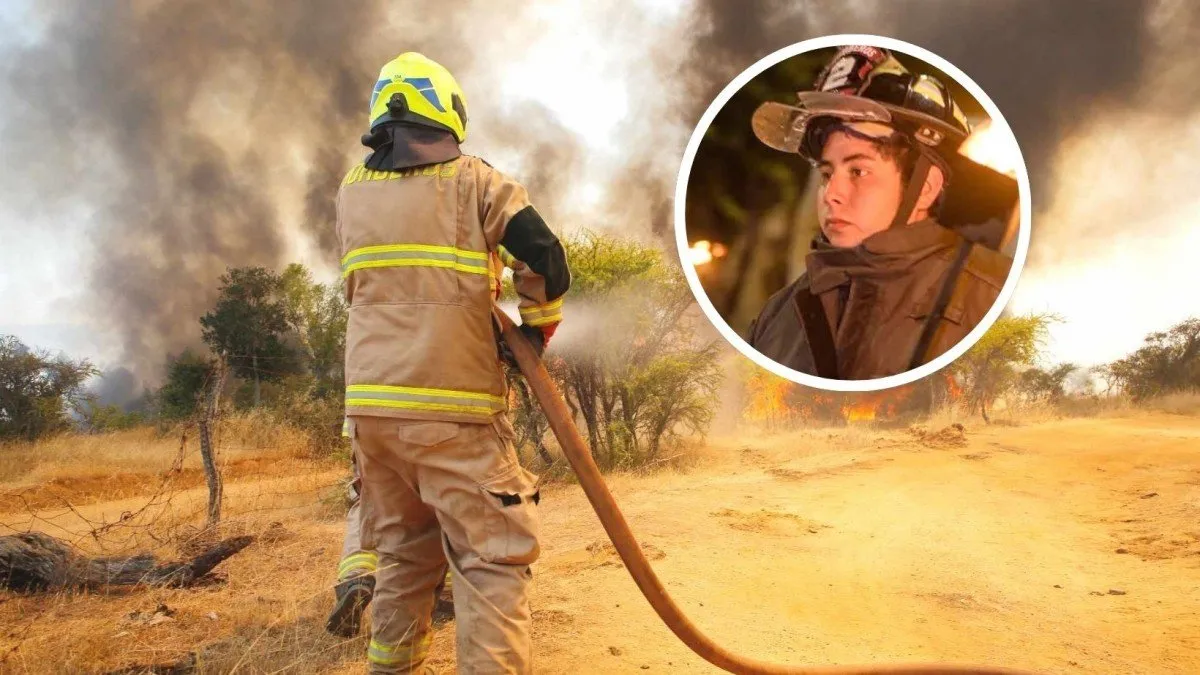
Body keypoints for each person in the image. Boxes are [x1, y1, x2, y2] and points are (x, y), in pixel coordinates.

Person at [336, 52, 570, 673]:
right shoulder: (477, 181)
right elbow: (546, 256)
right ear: (447, 114)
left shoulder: (351, 193)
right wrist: (534, 334)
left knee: (404, 558)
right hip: (457, 415)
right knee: (492, 561)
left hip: (374, 420)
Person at [747, 45, 1012, 379]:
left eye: (858, 172)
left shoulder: (996, 295)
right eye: (827, 174)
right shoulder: (778, 314)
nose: (832, 195)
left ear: (925, 187)